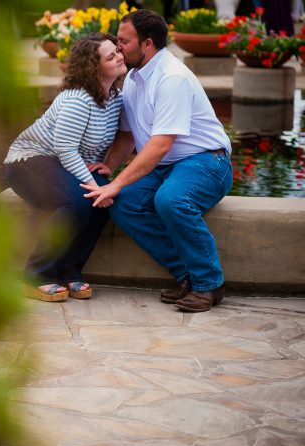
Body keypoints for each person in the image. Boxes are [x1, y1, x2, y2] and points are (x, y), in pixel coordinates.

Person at [81, 10, 233, 312]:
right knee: (124, 204)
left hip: (207, 163)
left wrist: (115, 184)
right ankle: (188, 273)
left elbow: (161, 145)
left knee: (171, 200)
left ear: (147, 43)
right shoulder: (135, 76)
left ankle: (209, 283)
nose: (117, 45)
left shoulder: (171, 78)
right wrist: (110, 166)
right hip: (169, 167)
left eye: (123, 41)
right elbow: (127, 135)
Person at [4, 33, 126, 302]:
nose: (119, 56)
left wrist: (105, 172)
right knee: (80, 200)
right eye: (111, 56)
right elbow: (65, 149)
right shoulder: (78, 100)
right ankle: (36, 275)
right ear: (94, 68)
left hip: (65, 163)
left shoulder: (115, 96)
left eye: (117, 51)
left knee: (105, 200)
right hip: (29, 160)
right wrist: (92, 183)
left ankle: (71, 271)